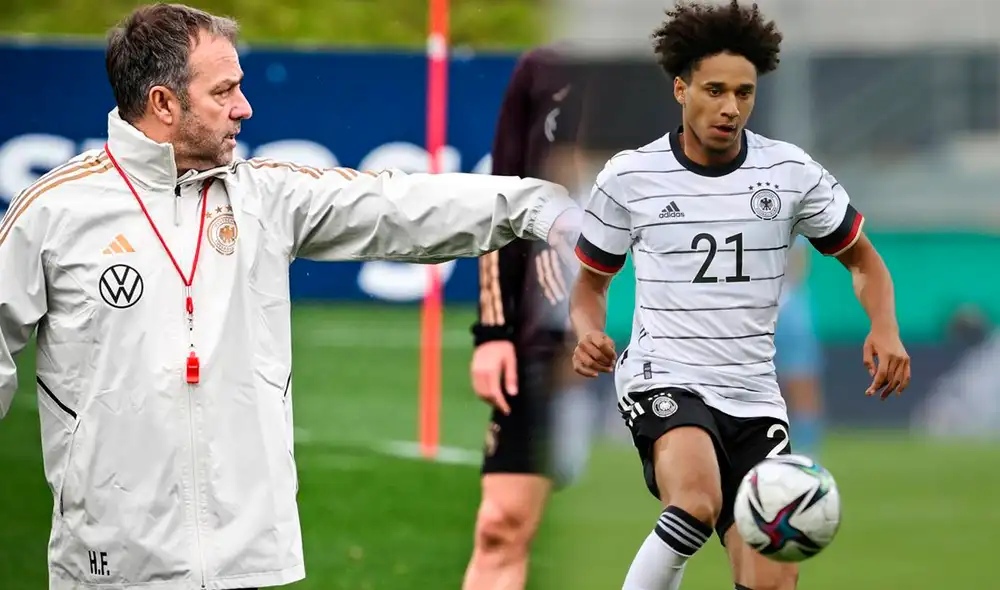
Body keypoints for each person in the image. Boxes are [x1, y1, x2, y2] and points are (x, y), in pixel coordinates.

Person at [0, 5, 581, 590]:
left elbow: (398, 206)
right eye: (223, 91)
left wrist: (535, 206)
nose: (244, 108)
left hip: (243, 561)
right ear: (164, 104)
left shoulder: (265, 196)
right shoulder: (52, 212)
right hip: (108, 566)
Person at [568, 2, 911, 589]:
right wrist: (588, 332)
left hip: (754, 396)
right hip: (665, 376)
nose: (731, 107)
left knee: (771, 580)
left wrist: (884, 326)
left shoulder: (790, 172)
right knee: (694, 504)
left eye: (745, 93)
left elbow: (864, 260)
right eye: (715, 90)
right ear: (681, 89)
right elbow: (591, 285)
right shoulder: (629, 177)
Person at [463, 43, 599, 590]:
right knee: (500, 525)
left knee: (707, 512)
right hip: (547, 341)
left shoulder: (698, 65)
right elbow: (502, 203)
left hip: (665, 336)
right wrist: (494, 331)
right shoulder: (542, 69)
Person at [775, 237, 825, 458]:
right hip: (752, 310)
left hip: (789, 310)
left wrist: (783, 298)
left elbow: (798, 263)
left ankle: (807, 450)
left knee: (801, 381)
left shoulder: (791, 211)